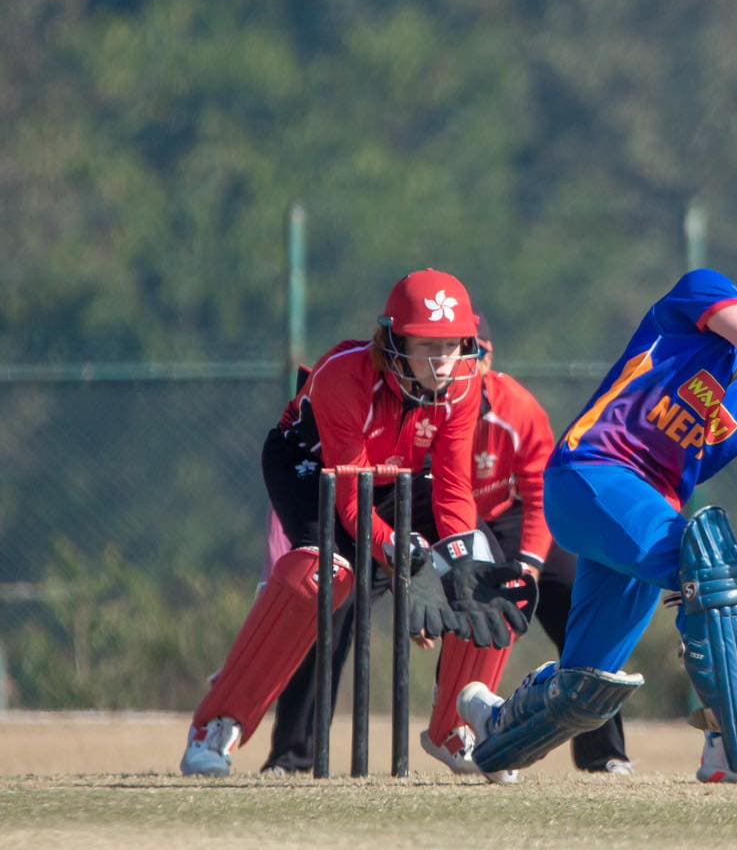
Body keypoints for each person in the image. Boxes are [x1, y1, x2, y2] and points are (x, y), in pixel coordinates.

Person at [455, 230, 737, 784]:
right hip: (593, 474)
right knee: (709, 564)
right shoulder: (705, 294)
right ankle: (734, 744)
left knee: (586, 687)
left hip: (644, 511)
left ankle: (491, 728)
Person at [181, 269, 531, 777]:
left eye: (453, 345)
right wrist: (405, 556)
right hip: (312, 467)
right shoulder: (345, 376)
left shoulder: (462, 383)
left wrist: (454, 564)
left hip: (400, 475)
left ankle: (457, 728)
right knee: (318, 579)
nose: (443, 361)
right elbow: (350, 504)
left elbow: (454, 486)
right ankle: (216, 726)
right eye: (426, 346)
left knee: (484, 567)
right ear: (393, 341)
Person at [258, 313, 632, 777]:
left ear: (483, 357)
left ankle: (601, 752)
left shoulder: (517, 409)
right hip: (428, 514)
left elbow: (540, 493)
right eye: (435, 352)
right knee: (335, 600)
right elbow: (406, 494)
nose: (450, 366)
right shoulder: (420, 401)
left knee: (572, 601)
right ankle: (293, 754)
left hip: (508, 518)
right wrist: (418, 583)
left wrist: (528, 569)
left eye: (463, 352)